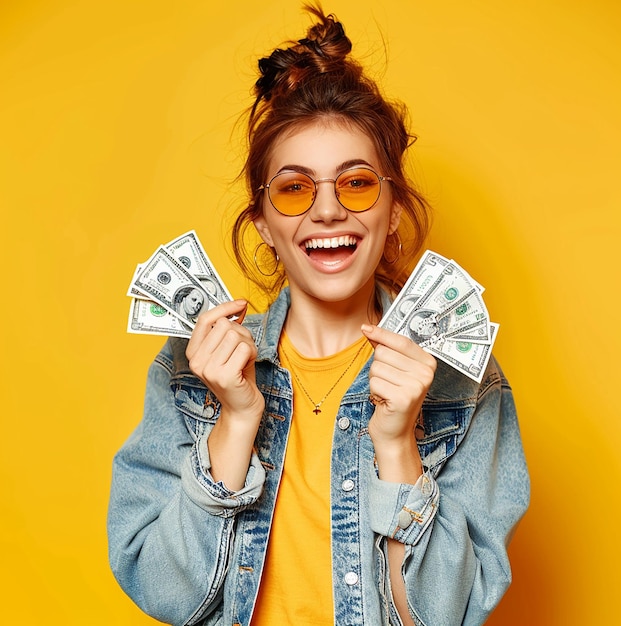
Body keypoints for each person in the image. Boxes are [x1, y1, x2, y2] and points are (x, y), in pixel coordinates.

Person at [108, 5, 529, 625]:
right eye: (295, 188)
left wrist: (397, 447)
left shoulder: (462, 384)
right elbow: (167, 596)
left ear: (391, 211)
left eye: (356, 183)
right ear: (266, 226)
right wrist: (234, 420)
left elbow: (446, 616)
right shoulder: (193, 369)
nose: (327, 211)